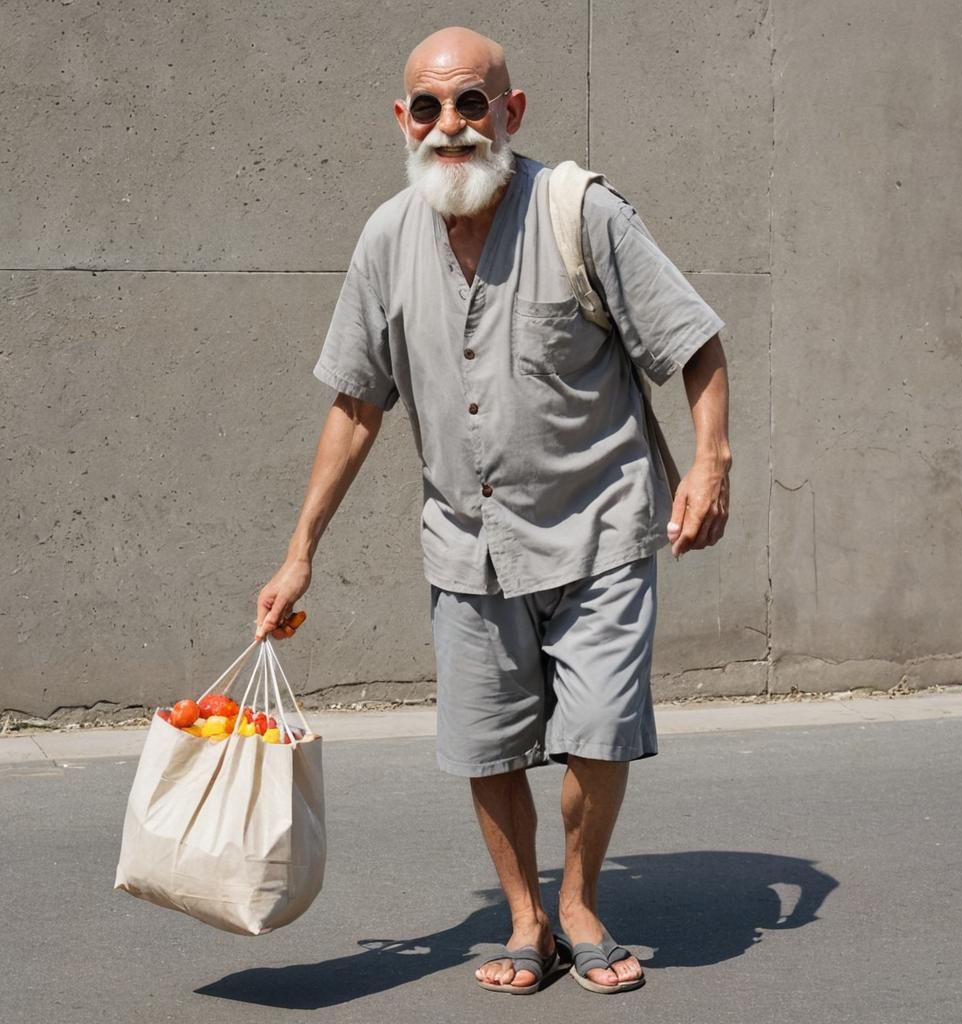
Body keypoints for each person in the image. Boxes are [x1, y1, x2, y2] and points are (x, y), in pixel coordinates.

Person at [255, 26, 732, 995]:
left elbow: (694, 339)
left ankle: (581, 900)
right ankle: (525, 917)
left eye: (470, 103)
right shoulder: (387, 237)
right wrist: (298, 551)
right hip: (466, 544)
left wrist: (710, 463)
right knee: (488, 741)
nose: (449, 126)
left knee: (598, 728)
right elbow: (355, 403)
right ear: (403, 119)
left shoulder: (579, 212)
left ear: (509, 111)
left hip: (599, 523)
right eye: (427, 108)